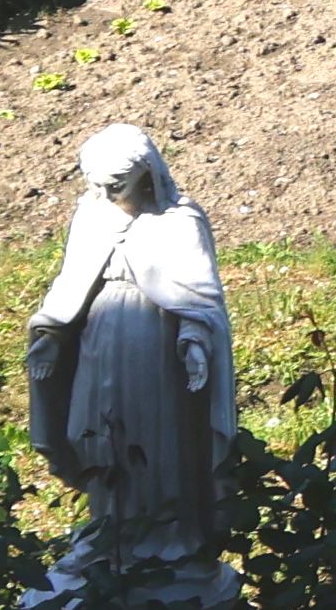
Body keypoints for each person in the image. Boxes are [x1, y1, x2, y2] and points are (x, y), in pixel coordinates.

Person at [22, 125, 237, 580]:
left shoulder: (179, 221)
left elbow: (198, 295)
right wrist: (51, 338)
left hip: (152, 344)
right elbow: (72, 283)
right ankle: (106, 533)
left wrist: (194, 342)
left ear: (145, 172)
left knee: (156, 438)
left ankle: (168, 539)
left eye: (116, 184)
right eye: (96, 184)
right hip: (99, 338)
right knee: (92, 432)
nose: (105, 193)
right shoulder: (92, 215)